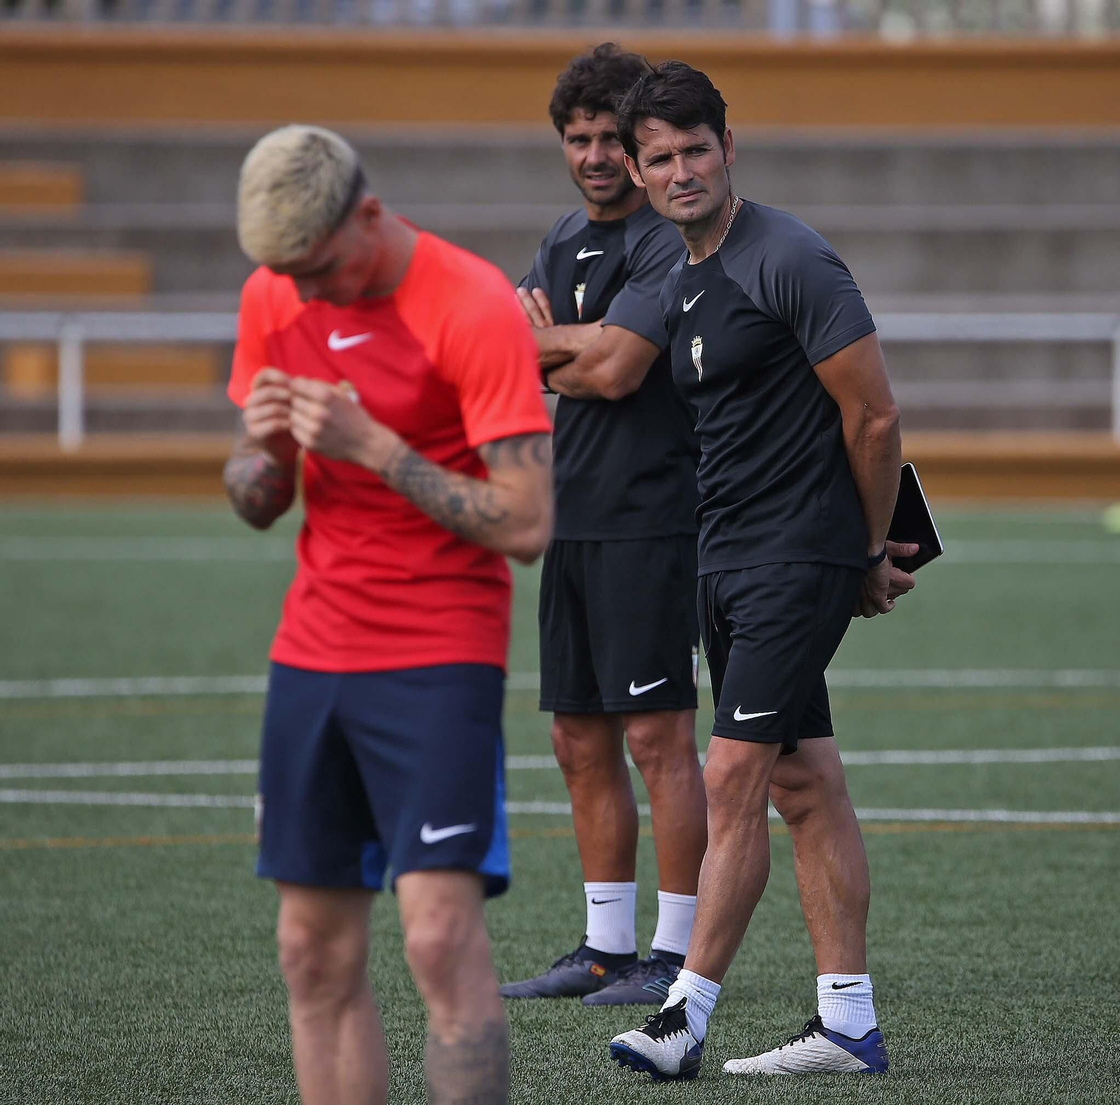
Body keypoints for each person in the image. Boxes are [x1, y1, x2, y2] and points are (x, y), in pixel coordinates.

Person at [223, 124, 553, 1105]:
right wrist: (267, 455)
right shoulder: (273, 290)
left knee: (439, 937)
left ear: (369, 214)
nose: (307, 294)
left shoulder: (469, 301)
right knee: (309, 949)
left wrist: (375, 447)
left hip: (439, 651)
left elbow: (529, 522)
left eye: (320, 268)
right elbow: (253, 497)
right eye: (289, 275)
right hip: (312, 648)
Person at [603, 63, 917, 1081]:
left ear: (728, 149)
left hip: (798, 555)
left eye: (697, 149)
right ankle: (848, 1025)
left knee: (731, 772)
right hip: (725, 556)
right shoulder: (677, 269)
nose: (681, 169)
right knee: (802, 782)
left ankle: (681, 1016)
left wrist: (865, 550)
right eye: (661, 157)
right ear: (638, 173)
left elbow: (873, 416)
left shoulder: (790, 257)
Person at [496, 44, 708, 1008]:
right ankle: (605, 948)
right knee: (578, 738)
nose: (594, 156)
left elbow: (620, 371)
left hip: (652, 517)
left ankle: (677, 951)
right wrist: (570, 347)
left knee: (657, 737)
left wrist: (547, 345)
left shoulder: (665, 239)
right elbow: (520, 357)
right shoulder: (559, 239)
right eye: (577, 138)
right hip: (574, 516)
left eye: (611, 139)